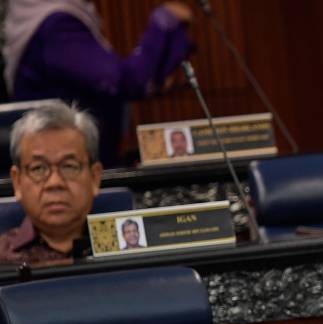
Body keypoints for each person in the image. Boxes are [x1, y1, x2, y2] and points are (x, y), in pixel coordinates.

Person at [4, 1, 194, 166]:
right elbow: (122, 82)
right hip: (66, 173)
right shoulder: (56, 27)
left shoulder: (60, 20)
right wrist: (163, 23)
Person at [0, 101, 102, 265]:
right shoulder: (3, 256)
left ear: (95, 177)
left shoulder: (128, 246)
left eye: (69, 167)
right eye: (38, 168)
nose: (55, 183)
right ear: (17, 182)